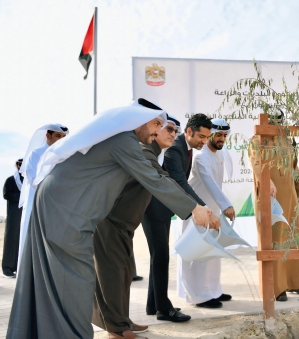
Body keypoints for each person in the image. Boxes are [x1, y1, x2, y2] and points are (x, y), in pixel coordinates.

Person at [6, 99, 212, 339]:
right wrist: (193, 208)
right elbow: (154, 179)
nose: (159, 130)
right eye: (156, 123)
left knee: (61, 279)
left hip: (65, 209)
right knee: (78, 279)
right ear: (138, 120)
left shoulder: (125, 141)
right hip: (64, 211)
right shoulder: (123, 141)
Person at [92, 115, 197, 339]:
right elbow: (163, 181)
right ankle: (117, 330)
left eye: (174, 130)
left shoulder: (151, 154)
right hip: (110, 222)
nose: (171, 133)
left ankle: (123, 321)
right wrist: (196, 208)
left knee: (124, 273)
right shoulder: (143, 152)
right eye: (164, 127)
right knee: (112, 275)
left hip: (123, 224)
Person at [142, 113, 220, 318]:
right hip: (154, 209)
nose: (205, 141)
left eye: (207, 137)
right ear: (189, 132)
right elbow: (180, 182)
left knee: (158, 257)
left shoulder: (186, 148)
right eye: (201, 137)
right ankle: (163, 309)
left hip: (162, 209)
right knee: (161, 256)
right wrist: (202, 208)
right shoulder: (176, 149)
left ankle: (154, 305)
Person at [249, 111, 299, 302]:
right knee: (274, 239)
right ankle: (278, 287)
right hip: (271, 197)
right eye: (274, 121)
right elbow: (257, 163)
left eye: (280, 121)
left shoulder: (287, 139)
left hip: (290, 195)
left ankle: (296, 283)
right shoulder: (257, 139)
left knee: (294, 236)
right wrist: (267, 182)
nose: (277, 124)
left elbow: (295, 168)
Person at [177, 118, 235, 308]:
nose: (221, 139)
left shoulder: (220, 153)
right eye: (218, 135)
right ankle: (198, 296)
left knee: (212, 254)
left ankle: (213, 291)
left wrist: (221, 208)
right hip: (198, 212)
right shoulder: (201, 156)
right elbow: (210, 184)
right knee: (196, 255)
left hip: (214, 212)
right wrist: (226, 205)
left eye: (225, 135)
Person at [17, 123, 69, 271]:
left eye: (63, 137)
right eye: (58, 136)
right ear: (48, 136)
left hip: (58, 205)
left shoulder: (65, 155)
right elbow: (34, 180)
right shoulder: (36, 154)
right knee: (31, 239)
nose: (61, 139)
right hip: (36, 203)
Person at [2, 159, 23, 278]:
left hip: (25, 216)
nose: (21, 166)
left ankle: (19, 266)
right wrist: (22, 197)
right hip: (14, 216)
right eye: (19, 164)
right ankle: (7, 268)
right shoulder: (10, 180)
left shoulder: (27, 180)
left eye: (23, 164)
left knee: (22, 240)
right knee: (11, 240)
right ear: (17, 166)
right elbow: (6, 194)